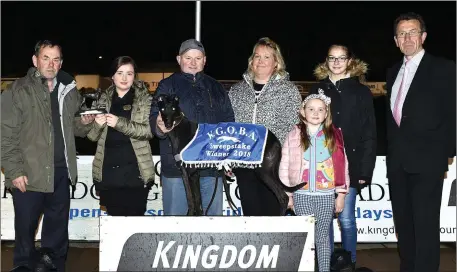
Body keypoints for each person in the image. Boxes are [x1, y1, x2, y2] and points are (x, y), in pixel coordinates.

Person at [1, 40, 94, 271]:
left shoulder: (69, 89)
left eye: (56, 59)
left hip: (61, 172)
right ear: (35, 60)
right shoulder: (17, 90)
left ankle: (54, 267)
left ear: (61, 62)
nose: (51, 64)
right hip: (28, 175)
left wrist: (83, 122)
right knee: (25, 230)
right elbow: (5, 135)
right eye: (46, 58)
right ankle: (23, 266)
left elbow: (74, 128)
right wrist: (14, 171)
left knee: (57, 231)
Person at [386, 12, 456, 272]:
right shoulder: (393, 72)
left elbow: (453, 111)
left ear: (423, 36)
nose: (407, 37)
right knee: (404, 226)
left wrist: (446, 153)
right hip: (398, 163)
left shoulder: (444, 68)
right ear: (395, 40)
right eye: (402, 33)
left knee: (425, 228)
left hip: (428, 161)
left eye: (412, 32)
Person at [149, 39, 235, 215]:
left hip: (211, 168)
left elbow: (228, 121)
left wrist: (229, 155)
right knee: (176, 225)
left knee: (212, 225)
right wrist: (158, 127)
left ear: (204, 60)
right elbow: (153, 117)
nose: (193, 63)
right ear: (179, 59)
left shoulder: (216, 87)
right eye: (188, 58)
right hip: (176, 169)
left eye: (198, 58)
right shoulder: (167, 85)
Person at [310, 44, 377, 267]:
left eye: (341, 58)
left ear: (350, 61)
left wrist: (365, 171)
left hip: (350, 167)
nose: (337, 62)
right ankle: (326, 264)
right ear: (326, 61)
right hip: (321, 166)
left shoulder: (361, 92)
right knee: (325, 221)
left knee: (347, 219)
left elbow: (370, 133)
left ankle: (350, 265)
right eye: (332, 58)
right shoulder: (317, 90)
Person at [228, 37, 302, 216]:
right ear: (251, 61)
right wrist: (229, 157)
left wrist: (287, 160)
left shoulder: (288, 90)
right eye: (257, 56)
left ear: (276, 62)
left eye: (267, 57)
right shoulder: (236, 91)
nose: (261, 61)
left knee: (272, 215)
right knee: (251, 216)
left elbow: (294, 128)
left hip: (273, 164)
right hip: (244, 163)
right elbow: (230, 127)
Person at [279, 90, 350, 272]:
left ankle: (324, 269)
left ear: (326, 113)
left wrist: (340, 194)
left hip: (326, 195)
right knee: (305, 236)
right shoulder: (294, 134)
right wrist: (288, 195)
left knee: (322, 236)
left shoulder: (334, 135)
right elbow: (284, 164)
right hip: (301, 194)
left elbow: (343, 166)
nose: (316, 113)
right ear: (303, 111)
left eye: (320, 109)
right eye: (311, 109)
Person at [86, 56, 155, 216]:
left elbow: (148, 132)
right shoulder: (102, 99)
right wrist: (98, 124)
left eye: (129, 73)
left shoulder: (145, 99)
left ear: (134, 76)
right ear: (112, 76)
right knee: (114, 222)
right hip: (109, 173)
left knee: (135, 221)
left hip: (135, 172)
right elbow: (92, 137)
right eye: (120, 73)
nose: (124, 78)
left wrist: (119, 123)